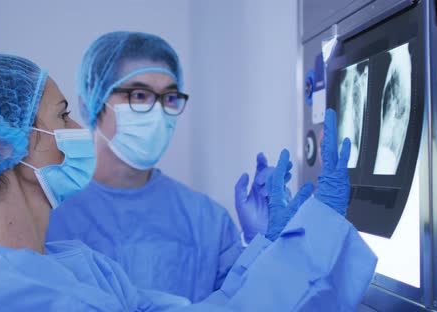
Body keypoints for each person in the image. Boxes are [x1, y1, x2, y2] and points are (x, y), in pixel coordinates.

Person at [0, 54, 376, 311]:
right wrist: (312, 240)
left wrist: (275, 246)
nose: (76, 129)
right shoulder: (9, 298)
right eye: (62, 114)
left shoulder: (67, 267)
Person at [46, 31, 288, 301]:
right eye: (139, 95)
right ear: (90, 102)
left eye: (170, 98)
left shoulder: (207, 219)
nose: (158, 112)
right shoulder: (49, 213)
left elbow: (245, 303)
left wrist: (259, 247)